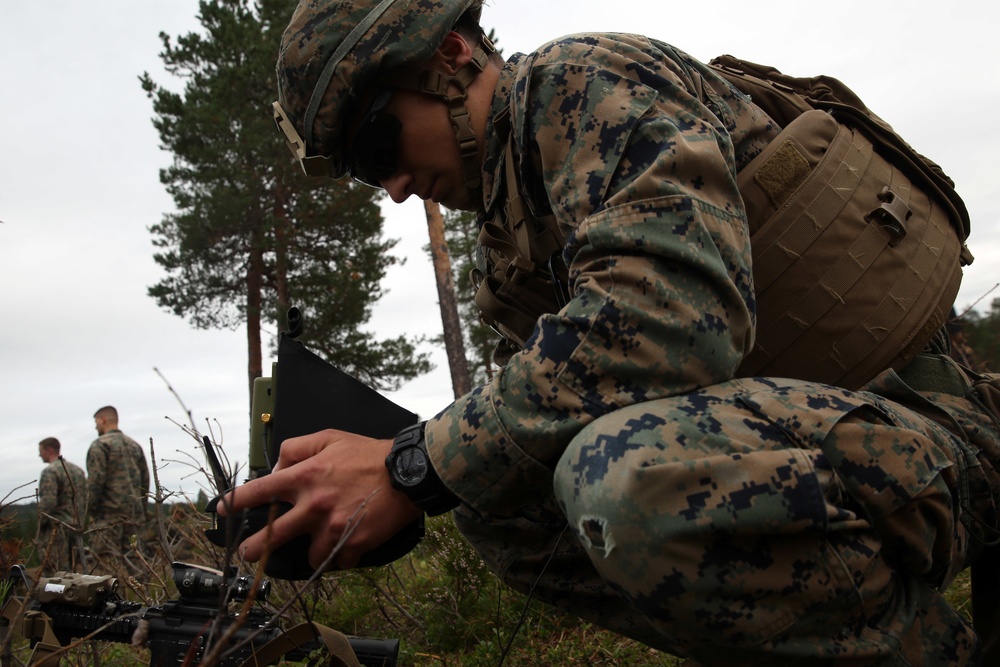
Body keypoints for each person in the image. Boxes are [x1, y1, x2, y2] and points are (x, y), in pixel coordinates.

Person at [222, 1, 1000, 664]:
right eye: (365, 174)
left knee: (626, 476)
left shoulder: (582, 83)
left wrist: (413, 464)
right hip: (834, 444)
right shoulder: (517, 240)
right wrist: (395, 473)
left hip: (944, 431)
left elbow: (668, 316)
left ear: (451, 57)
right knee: (501, 505)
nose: (390, 188)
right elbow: (532, 426)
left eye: (375, 145)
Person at [86, 405, 150, 570]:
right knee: (136, 563)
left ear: (103, 420)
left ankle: (113, 597)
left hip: (108, 519)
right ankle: (143, 596)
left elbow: (95, 482)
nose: (95, 426)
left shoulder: (100, 446)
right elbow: (145, 481)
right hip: (134, 517)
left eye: (96, 422)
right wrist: (141, 512)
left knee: (107, 568)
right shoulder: (134, 445)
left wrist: (89, 511)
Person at [35, 437, 86, 574]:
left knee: (56, 574)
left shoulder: (50, 472)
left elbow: (48, 503)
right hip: (76, 528)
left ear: (50, 450)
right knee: (75, 573)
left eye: (41, 451)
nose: (39, 455)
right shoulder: (78, 471)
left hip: (57, 531)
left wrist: (40, 525)